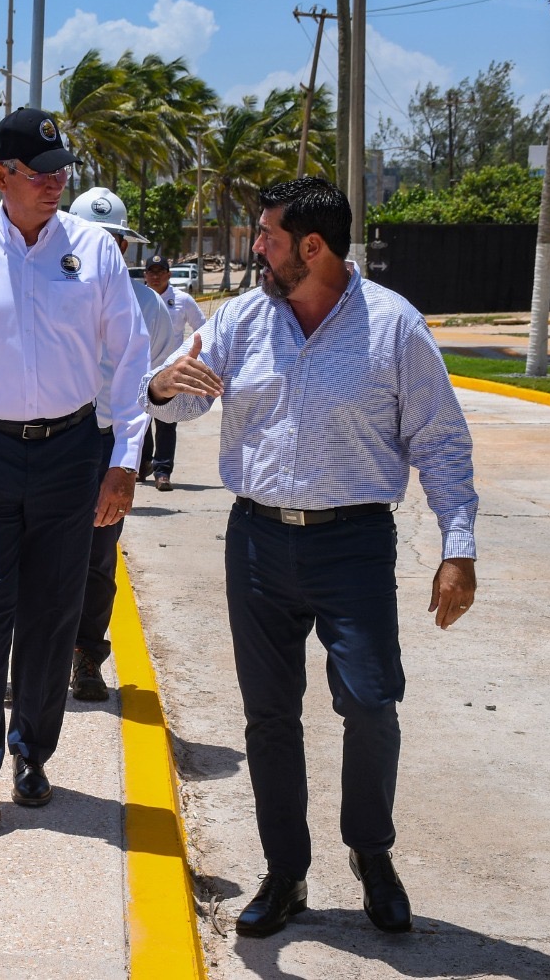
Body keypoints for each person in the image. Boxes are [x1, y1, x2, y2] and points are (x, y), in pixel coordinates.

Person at [143, 176, 478, 936]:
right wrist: (161, 384)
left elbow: (441, 442)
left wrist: (457, 546)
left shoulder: (393, 329)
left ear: (313, 247)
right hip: (258, 542)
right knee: (269, 716)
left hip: (353, 544)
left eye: (267, 235)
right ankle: (286, 872)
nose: (256, 246)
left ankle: (371, 851)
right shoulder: (243, 320)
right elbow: (184, 393)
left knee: (370, 701)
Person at [0, 109, 150, 829]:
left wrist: (125, 458)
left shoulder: (95, 254)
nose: (55, 184)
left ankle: (32, 752)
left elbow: (130, 357)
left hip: (70, 453)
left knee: (51, 613)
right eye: (40, 174)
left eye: (61, 172)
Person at [65, 188, 178, 702]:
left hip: (110, 442)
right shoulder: (51, 287)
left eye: (116, 241)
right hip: (55, 437)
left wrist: (130, 460)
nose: (107, 248)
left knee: (97, 556)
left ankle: (87, 656)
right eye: (97, 238)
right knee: (34, 554)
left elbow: (152, 379)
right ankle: (25, 660)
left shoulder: (149, 304)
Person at [141, 254, 206, 491]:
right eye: (151, 271)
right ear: (145, 274)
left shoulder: (183, 300)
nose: (155, 276)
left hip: (169, 370)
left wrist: (190, 356)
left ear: (169, 274)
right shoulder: (138, 298)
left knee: (167, 421)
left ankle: (162, 471)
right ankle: (143, 463)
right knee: (140, 420)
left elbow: (203, 329)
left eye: (160, 271)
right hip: (140, 369)